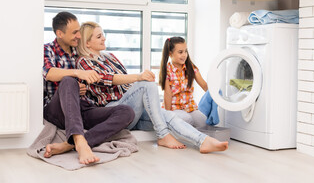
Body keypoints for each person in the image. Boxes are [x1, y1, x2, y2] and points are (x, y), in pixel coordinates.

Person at [76, 21, 228, 153]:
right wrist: (139, 78)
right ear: (87, 43)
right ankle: (163, 134)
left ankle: (203, 141)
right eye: (98, 36)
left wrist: (142, 97)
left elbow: (126, 84)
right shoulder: (83, 62)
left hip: (130, 109)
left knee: (168, 116)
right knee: (146, 84)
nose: (104, 38)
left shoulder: (110, 57)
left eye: (103, 34)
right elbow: (106, 79)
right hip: (112, 109)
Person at [43, 12, 135, 164]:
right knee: (68, 81)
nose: (79, 35)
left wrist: (79, 88)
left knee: (126, 111)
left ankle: (68, 145)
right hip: (56, 109)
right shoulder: (48, 50)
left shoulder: (79, 53)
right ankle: (79, 141)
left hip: (82, 108)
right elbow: (49, 73)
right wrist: (78, 74)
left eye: (79, 31)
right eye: (74, 32)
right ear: (59, 33)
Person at [159, 37, 208, 128]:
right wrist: (168, 115)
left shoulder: (191, 67)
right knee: (187, 119)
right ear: (170, 53)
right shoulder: (167, 70)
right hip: (174, 108)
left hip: (189, 108)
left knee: (203, 121)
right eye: (180, 52)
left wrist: (216, 95)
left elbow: (204, 85)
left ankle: (195, 138)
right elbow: (168, 94)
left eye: (186, 51)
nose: (184, 55)